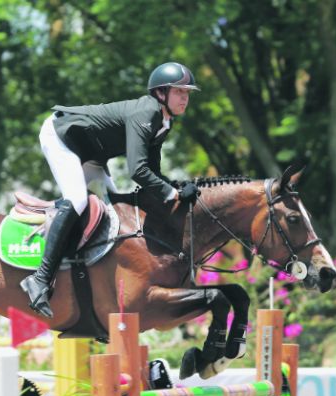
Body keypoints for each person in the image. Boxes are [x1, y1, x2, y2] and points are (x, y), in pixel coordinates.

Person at [20, 62, 202, 318]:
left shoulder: (164, 122)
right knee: (77, 200)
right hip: (62, 137)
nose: (185, 98)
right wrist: (172, 193)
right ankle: (39, 279)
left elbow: (153, 172)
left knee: (115, 210)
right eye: (179, 92)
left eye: (187, 93)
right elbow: (138, 171)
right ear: (161, 93)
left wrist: (176, 188)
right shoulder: (146, 113)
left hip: (92, 153)